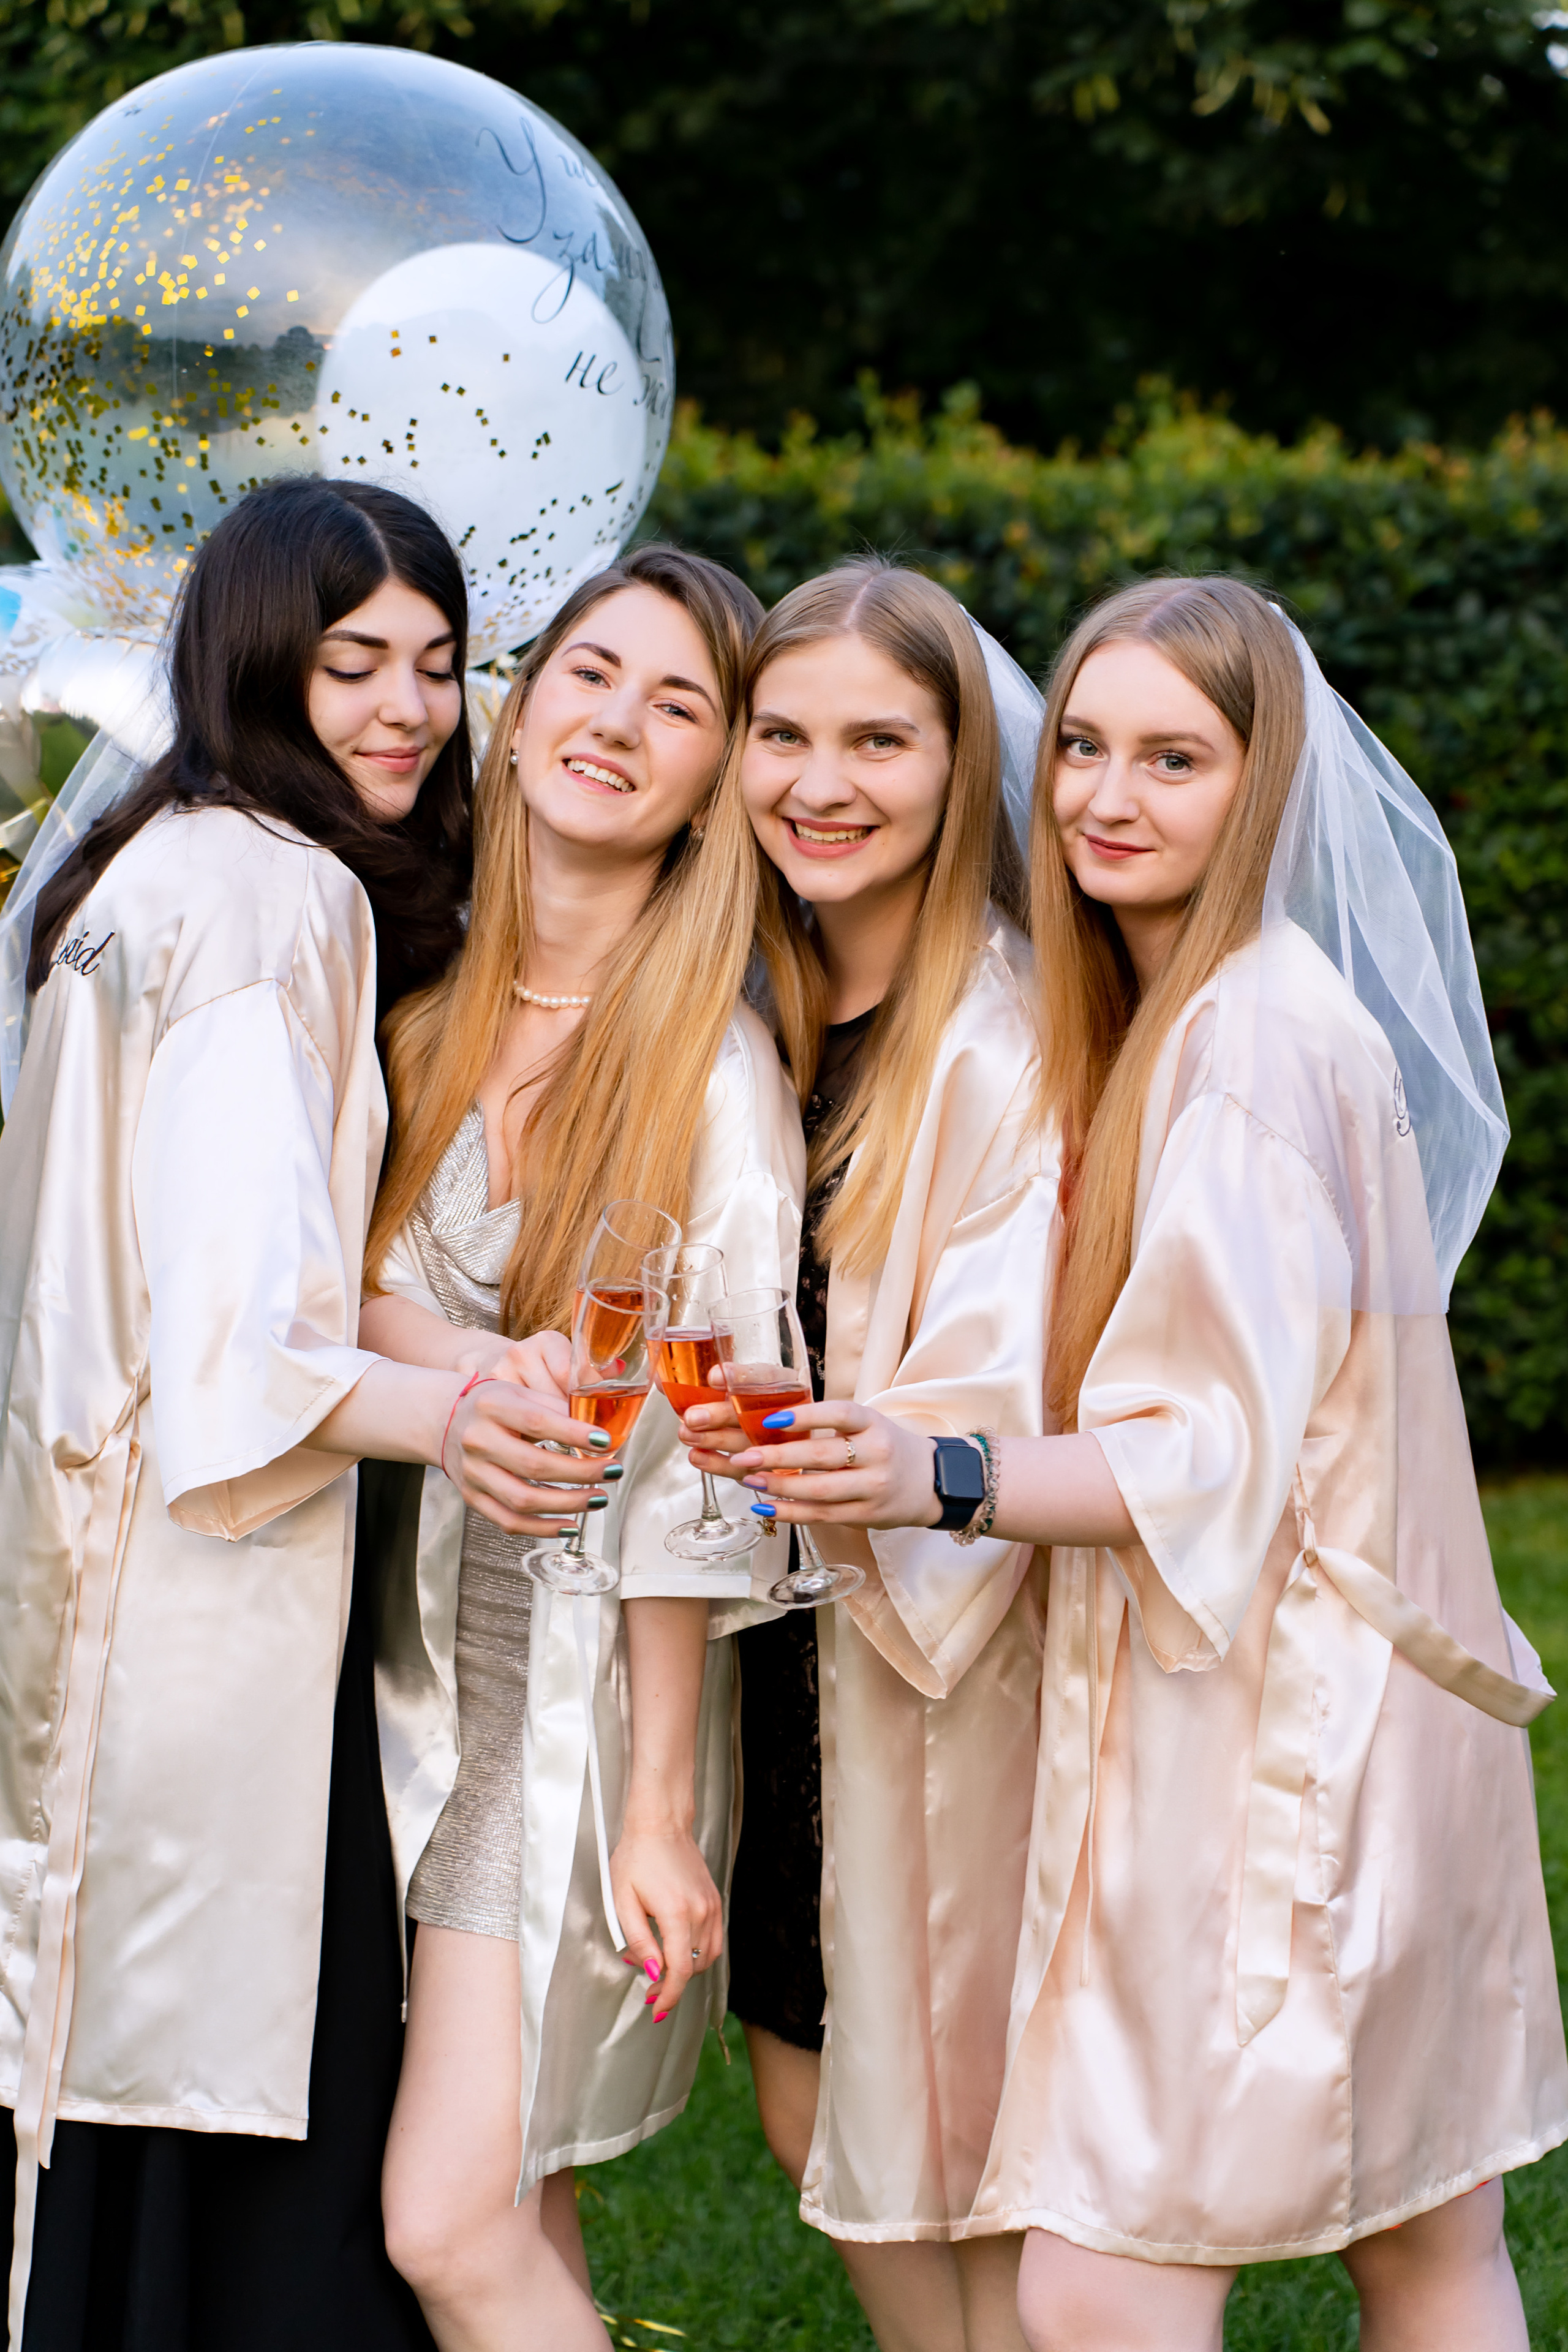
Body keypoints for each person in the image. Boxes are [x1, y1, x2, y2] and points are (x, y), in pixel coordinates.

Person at [731, 575, 1568, 2351]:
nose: (1107, 796)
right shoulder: (1218, 1010)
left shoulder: (1249, 1046)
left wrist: (932, 1473)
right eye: (1089, 748)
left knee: (1102, 2281)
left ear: (1262, 786)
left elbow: (1195, 1454)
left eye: (1175, 759)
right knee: (1426, 2240)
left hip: (1280, 1744)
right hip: (1379, 1712)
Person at [0, 476, 608, 2352]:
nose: (410, 710)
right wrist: (463, 1425)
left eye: (438, 664)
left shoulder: (147, 871)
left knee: (93, 2131)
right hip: (213, 1627)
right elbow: (234, 1343)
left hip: (81, 1590)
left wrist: (455, 1355)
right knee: (256, 2141)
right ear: (257, 658)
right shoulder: (284, 896)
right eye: (354, 664)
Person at [360, 544, 804, 2351]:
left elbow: (720, 1464)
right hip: (373, 1668)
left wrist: (664, 1808)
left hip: (561, 1703)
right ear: (522, 699)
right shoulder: (409, 995)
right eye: (594, 674)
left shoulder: (714, 1078)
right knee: (515, 2192)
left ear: (717, 782)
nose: (619, 723)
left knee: (446, 2223)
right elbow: (328, 1301)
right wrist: (470, 1362)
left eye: (680, 705)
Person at [684, 559, 1057, 2352]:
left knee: (968, 2152)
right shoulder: (751, 996)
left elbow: (1030, 1386)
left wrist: (893, 1454)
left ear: (959, 757)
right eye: (784, 733)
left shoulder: (1003, 1036)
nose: (821, 782)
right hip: (787, 1645)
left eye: (879, 742)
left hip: (944, 1652)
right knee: (812, 2112)